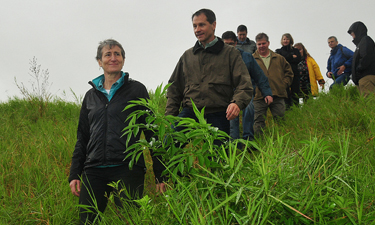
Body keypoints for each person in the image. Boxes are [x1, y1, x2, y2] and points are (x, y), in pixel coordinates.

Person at [68, 39, 165, 224]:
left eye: (117, 54)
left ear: (123, 59)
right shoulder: (90, 96)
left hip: (127, 168)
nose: (113, 58)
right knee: (87, 221)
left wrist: (161, 173)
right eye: (108, 54)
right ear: (99, 61)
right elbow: (82, 137)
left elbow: (152, 132)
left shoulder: (136, 89)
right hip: (93, 169)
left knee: (129, 220)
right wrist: (75, 173)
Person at [166, 9, 252, 140]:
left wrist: (236, 103)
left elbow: (244, 84)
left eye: (202, 25)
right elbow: (174, 87)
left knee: (217, 157)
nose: (197, 30)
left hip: (218, 113)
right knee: (167, 146)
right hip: (190, 112)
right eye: (194, 26)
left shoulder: (230, 54)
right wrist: (169, 117)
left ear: (214, 25)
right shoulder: (187, 56)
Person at [221, 31, 273, 141]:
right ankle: (234, 142)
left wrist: (267, 93)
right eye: (226, 44)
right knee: (231, 116)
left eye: (231, 44)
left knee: (249, 108)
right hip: (228, 94)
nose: (228, 46)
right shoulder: (219, 59)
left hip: (245, 92)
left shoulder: (247, 57)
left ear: (236, 43)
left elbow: (260, 76)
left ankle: (248, 139)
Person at [252, 33, 294, 135]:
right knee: (258, 121)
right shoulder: (251, 59)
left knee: (280, 119)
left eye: (263, 43)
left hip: (277, 93)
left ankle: (283, 142)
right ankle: (259, 143)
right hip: (259, 95)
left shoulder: (279, 58)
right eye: (259, 44)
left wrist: (283, 85)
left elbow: (289, 73)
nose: (261, 46)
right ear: (256, 45)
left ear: (268, 43)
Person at [348, 21, 375, 97]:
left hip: (366, 77)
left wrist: (359, 69)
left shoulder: (365, 40)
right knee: (366, 102)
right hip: (362, 78)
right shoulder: (360, 44)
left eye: (352, 33)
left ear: (358, 31)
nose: (352, 35)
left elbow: (366, 56)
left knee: (369, 101)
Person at [275, 33, 301, 108]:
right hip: (283, 74)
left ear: (290, 40)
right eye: (284, 39)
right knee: (285, 92)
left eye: (287, 39)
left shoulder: (295, 50)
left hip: (295, 74)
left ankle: (296, 108)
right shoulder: (279, 51)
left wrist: (286, 58)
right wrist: (291, 57)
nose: (285, 41)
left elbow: (298, 59)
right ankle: (287, 109)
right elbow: (279, 60)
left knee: (295, 92)